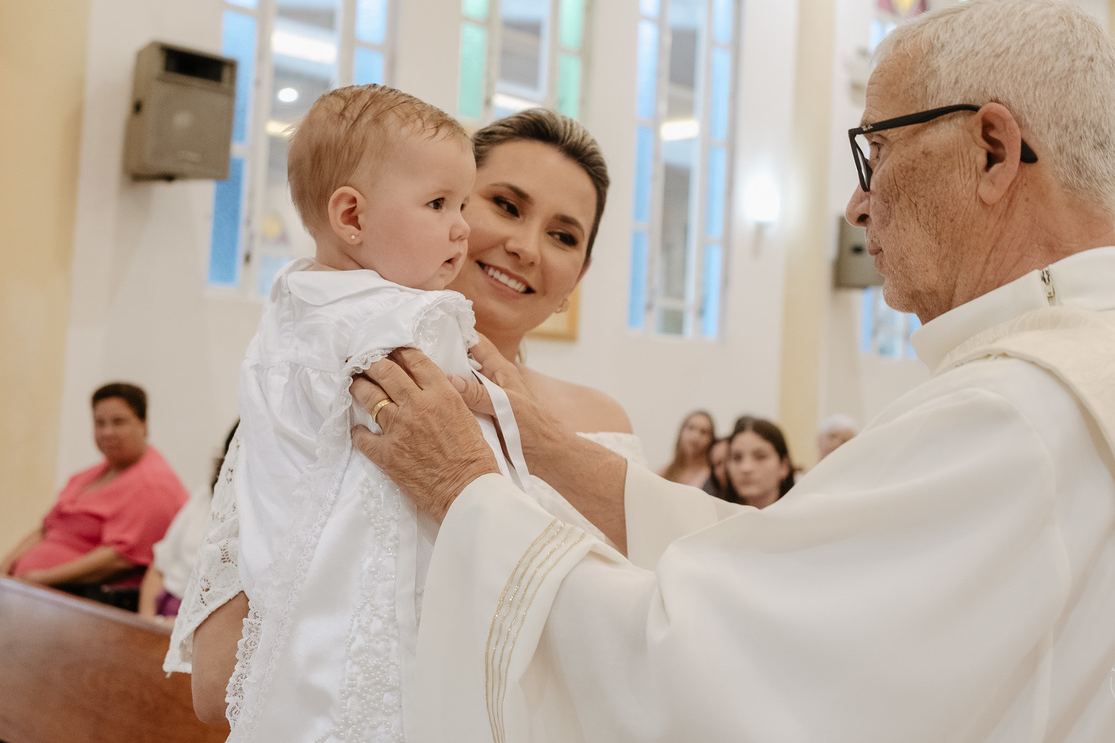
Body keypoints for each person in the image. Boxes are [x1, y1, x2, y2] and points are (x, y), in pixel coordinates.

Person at [349, 0, 1115, 741]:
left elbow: (715, 672)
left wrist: (464, 486)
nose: (858, 204)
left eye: (876, 153)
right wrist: (552, 452)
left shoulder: (1015, 412)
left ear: (992, 151)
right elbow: (789, 569)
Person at [168, 106, 644, 729]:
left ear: (578, 276)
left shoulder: (604, 421)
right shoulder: (344, 388)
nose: (526, 247)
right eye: (503, 205)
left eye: (564, 236)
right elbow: (217, 684)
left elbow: (643, 641)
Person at [2, 383, 188, 611]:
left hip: (81, 601)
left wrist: (41, 579)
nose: (107, 432)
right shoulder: (89, 475)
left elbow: (118, 559)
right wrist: (7, 566)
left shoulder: (155, 485)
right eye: (100, 423)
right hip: (31, 591)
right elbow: (47, 528)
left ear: (144, 424)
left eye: (118, 422)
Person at [137, 422, 238, 624]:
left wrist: (178, 627)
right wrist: (146, 621)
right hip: (162, 614)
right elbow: (159, 566)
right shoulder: (204, 496)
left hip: (200, 624)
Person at [723, 417, 794, 508]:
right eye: (737, 458)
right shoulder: (714, 515)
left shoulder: (805, 515)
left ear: (784, 466)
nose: (746, 468)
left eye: (760, 457)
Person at [656, 410, 715, 489]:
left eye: (703, 432)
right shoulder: (666, 471)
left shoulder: (710, 476)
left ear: (711, 440)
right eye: (691, 428)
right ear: (681, 431)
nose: (695, 436)